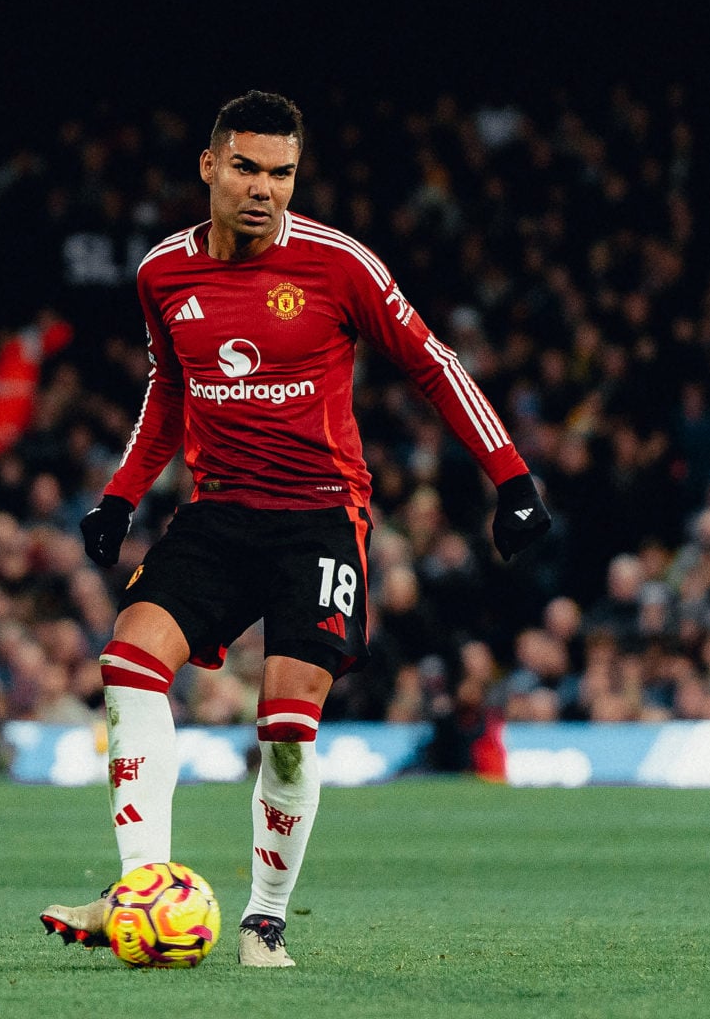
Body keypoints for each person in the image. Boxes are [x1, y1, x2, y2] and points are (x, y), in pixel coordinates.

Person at [40, 90, 550, 967]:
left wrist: (511, 480)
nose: (263, 189)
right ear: (209, 166)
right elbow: (169, 389)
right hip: (219, 512)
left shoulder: (337, 264)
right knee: (128, 660)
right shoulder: (164, 272)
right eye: (245, 167)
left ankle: (263, 920)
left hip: (320, 517)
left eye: (280, 173)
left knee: (284, 728)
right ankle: (140, 890)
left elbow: (434, 363)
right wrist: (121, 495)